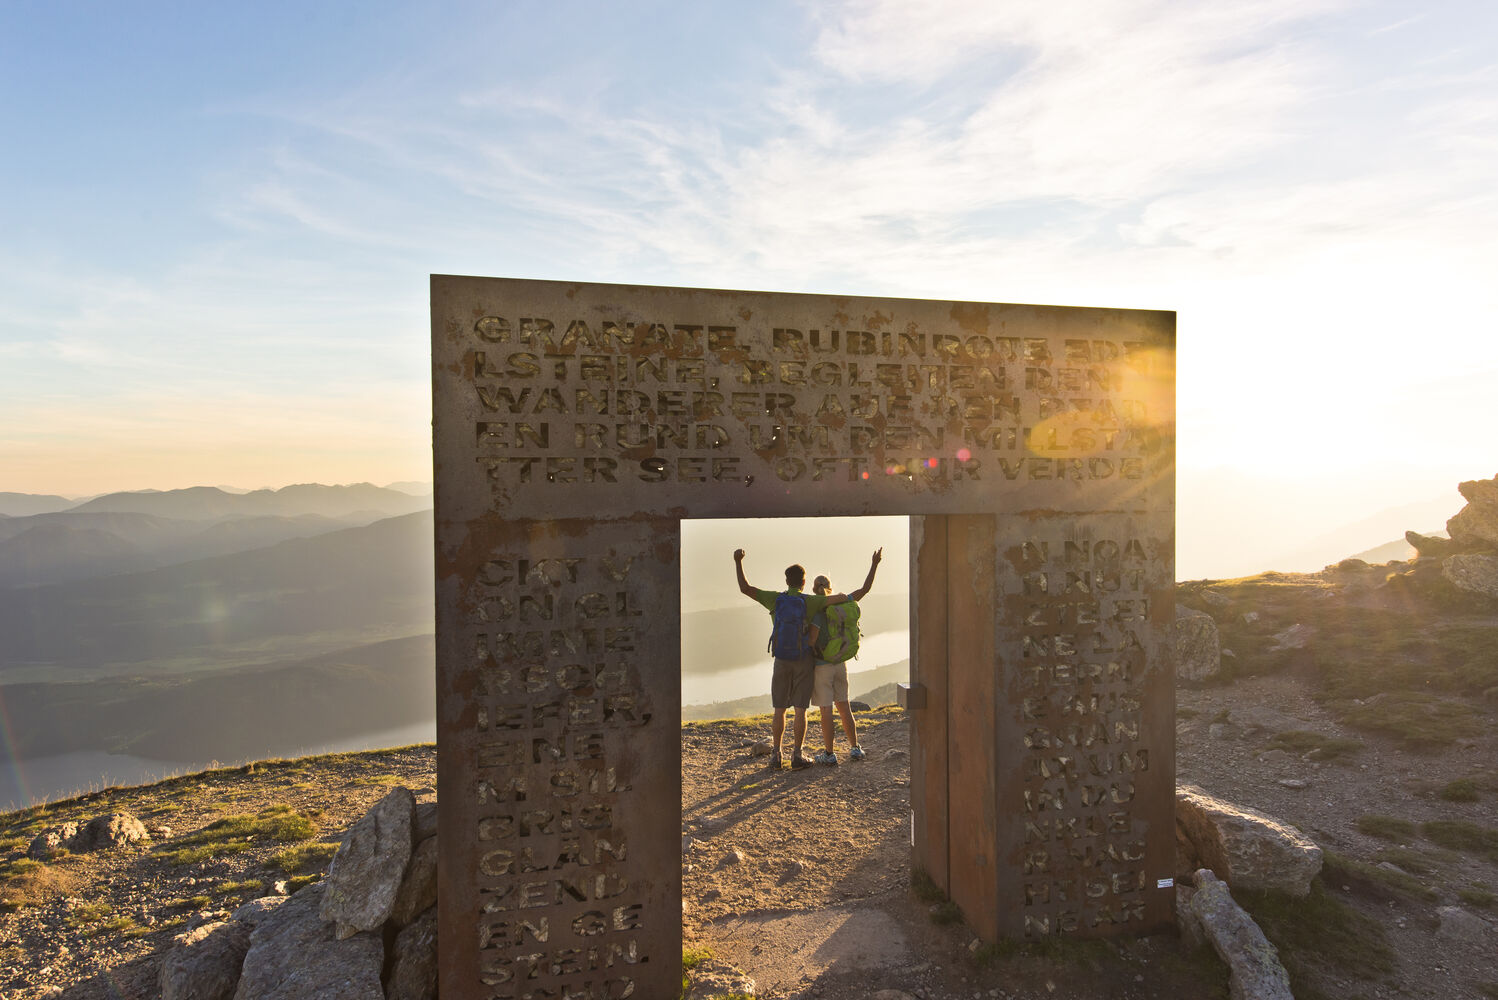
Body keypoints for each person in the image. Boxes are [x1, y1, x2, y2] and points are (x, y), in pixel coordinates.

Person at [733, 548, 882, 770]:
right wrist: (851, 588)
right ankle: (797, 754)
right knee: (801, 710)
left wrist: (738, 561)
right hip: (804, 661)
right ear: (804, 582)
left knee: (779, 709)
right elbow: (857, 594)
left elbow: (745, 588)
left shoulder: (775, 600)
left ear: (787, 581)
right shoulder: (812, 602)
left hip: (782, 659)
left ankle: (776, 755)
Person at [810, 554, 880, 765]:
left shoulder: (816, 609)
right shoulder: (843, 603)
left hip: (822, 667)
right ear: (830, 587)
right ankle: (855, 748)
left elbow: (811, 640)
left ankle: (829, 754)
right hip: (841, 663)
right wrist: (874, 564)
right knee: (845, 707)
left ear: (814, 590)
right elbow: (864, 589)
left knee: (826, 711)